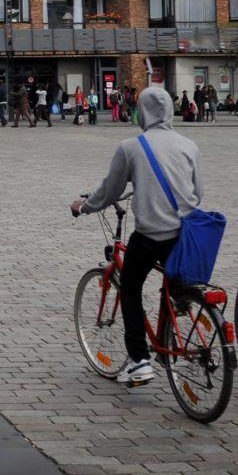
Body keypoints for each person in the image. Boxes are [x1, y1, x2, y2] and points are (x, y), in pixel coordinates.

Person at [70, 87, 203, 388]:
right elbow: (197, 194)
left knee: (129, 287)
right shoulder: (188, 145)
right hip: (185, 234)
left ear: (142, 111)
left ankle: (140, 360)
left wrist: (86, 206)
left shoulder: (132, 147)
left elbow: (110, 191)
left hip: (151, 234)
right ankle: (183, 321)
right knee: (175, 287)